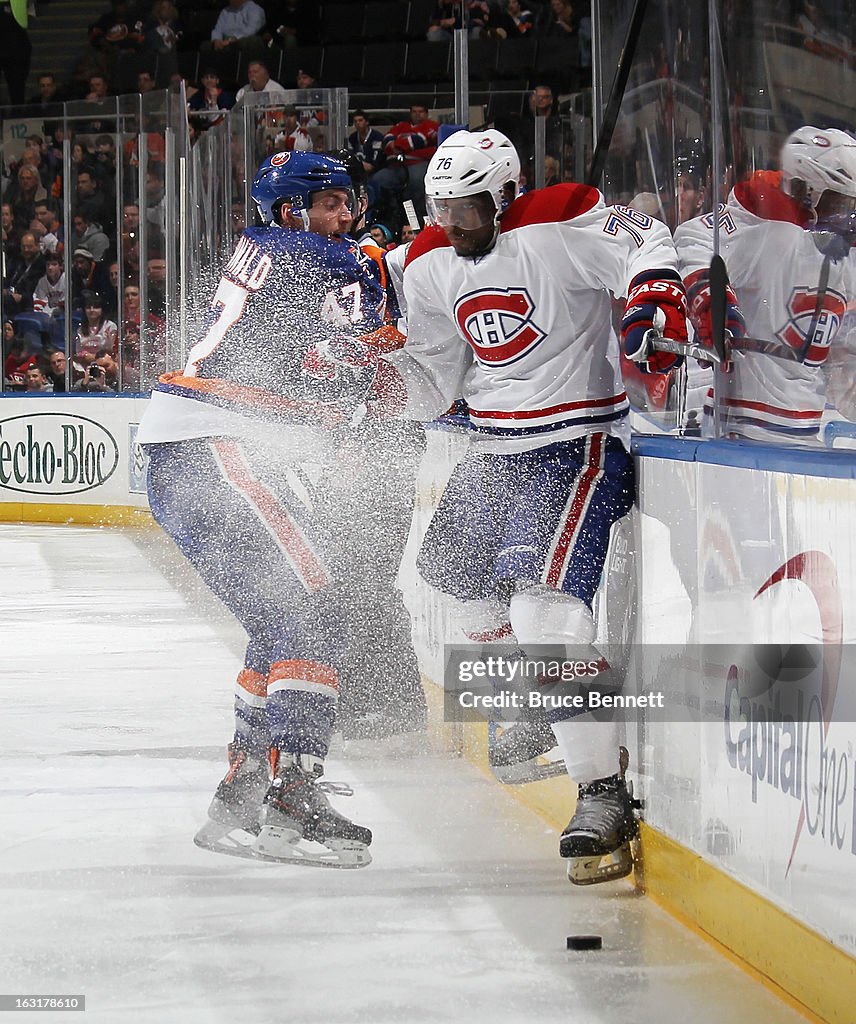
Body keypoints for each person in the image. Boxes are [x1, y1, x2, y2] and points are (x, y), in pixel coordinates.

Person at [371, 129, 689, 884]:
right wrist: (379, 382)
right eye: (443, 206)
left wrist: (655, 296)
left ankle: (601, 792)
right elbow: (436, 379)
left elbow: (645, 236)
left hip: (576, 444)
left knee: (544, 615)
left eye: (470, 206)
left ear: (506, 195)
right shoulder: (427, 262)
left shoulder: (560, 221)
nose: (455, 221)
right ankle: (544, 701)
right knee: (450, 576)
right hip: (491, 449)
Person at [137, 152, 391, 867]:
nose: (348, 215)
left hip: (189, 455)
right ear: (292, 209)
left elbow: (324, 356)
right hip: (219, 446)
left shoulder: (276, 250)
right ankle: (296, 799)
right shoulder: (321, 255)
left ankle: (243, 790)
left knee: (280, 620)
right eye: (334, 202)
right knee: (316, 610)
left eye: (350, 202)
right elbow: (374, 339)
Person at [674, 126, 856, 445]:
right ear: (809, 192)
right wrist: (713, 305)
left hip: (806, 431)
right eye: (842, 203)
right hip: (740, 431)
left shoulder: (838, 250)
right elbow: (693, 240)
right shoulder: (762, 231)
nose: (849, 215)